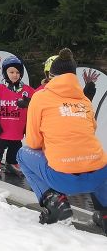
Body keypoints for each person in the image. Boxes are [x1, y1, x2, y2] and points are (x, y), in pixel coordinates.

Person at [17, 48, 107, 232]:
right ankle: (104, 214)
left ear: (51, 75)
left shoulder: (40, 97)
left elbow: (33, 142)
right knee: (96, 160)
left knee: (22, 154)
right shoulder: (85, 100)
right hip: (99, 177)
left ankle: (55, 201)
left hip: (62, 179)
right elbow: (90, 132)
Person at [0, 56, 34, 175]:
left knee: (16, 145)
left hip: (18, 125)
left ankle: (11, 162)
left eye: (18, 72)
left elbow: (34, 106)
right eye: (11, 72)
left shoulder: (27, 91)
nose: (15, 75)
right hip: (3, 125)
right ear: (5, 73)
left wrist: (28, 124)